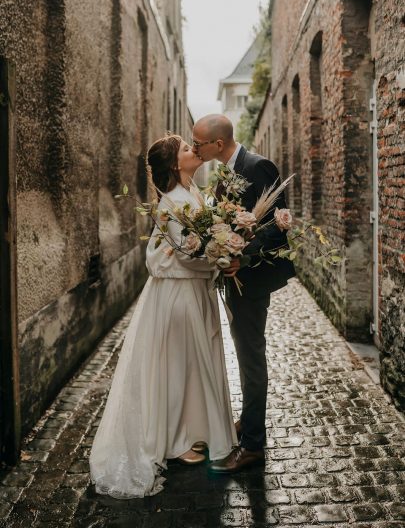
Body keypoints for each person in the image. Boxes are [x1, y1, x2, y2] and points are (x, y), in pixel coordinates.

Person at [89, 134, 237, 498]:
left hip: (194, 290)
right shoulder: (174, 203)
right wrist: (223, 259)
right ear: (174, 164)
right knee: (181, 363)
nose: (194, 150)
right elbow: (187, 256)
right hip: (179, 293)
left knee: (194, 361)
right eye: (187, 149)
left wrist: (223, 249)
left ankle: (196, 429)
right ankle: (175, 440)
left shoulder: (195, 194)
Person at [192, 114, 295, 473]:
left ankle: (253, 444)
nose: (194, 148)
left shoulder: (257, 166)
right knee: (244, 353)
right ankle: (247, 422)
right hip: (235, 281)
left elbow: (278, 227)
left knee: (251, 358)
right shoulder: (225, 173)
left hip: (251, 281)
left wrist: (242, 257)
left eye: (198, 143)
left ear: (217, 145)